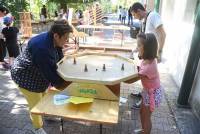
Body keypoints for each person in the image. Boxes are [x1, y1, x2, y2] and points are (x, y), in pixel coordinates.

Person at [10, 20, 73, 134]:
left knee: (45, 96)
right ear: (56, 35)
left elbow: (58, 55)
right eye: (65, 38)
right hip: (23, 75)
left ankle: (47, 115)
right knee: (36, 104)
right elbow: (52, 77)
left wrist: (64, 69)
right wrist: (69, 88)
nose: (67, 41)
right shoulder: (42, 49)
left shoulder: (52, 39)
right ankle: (37, 128)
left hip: (36, 71)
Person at [130, 2, 166, 109]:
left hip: (151, 55)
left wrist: (159, 52)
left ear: (139, 11)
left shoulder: (153, 16)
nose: (134, 17)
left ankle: (146, 102)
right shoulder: (144, 20)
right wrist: (136, 49)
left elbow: (163, 34)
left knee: (149, 78)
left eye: (134, 15)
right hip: (146, 55)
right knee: (146, 78)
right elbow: (143, 40)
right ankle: (143, 95)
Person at [125, 33, 163, 134]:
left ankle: (146, 131)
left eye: (139, 45)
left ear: (147, 48)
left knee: (146, 117)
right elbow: (138, 69)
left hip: (153, 94)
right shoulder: (149, 59)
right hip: (148, 91)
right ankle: (143, 130)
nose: (137, 48)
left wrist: (119, 79)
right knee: (142, 112)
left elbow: (131, 80)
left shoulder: (148, 67)